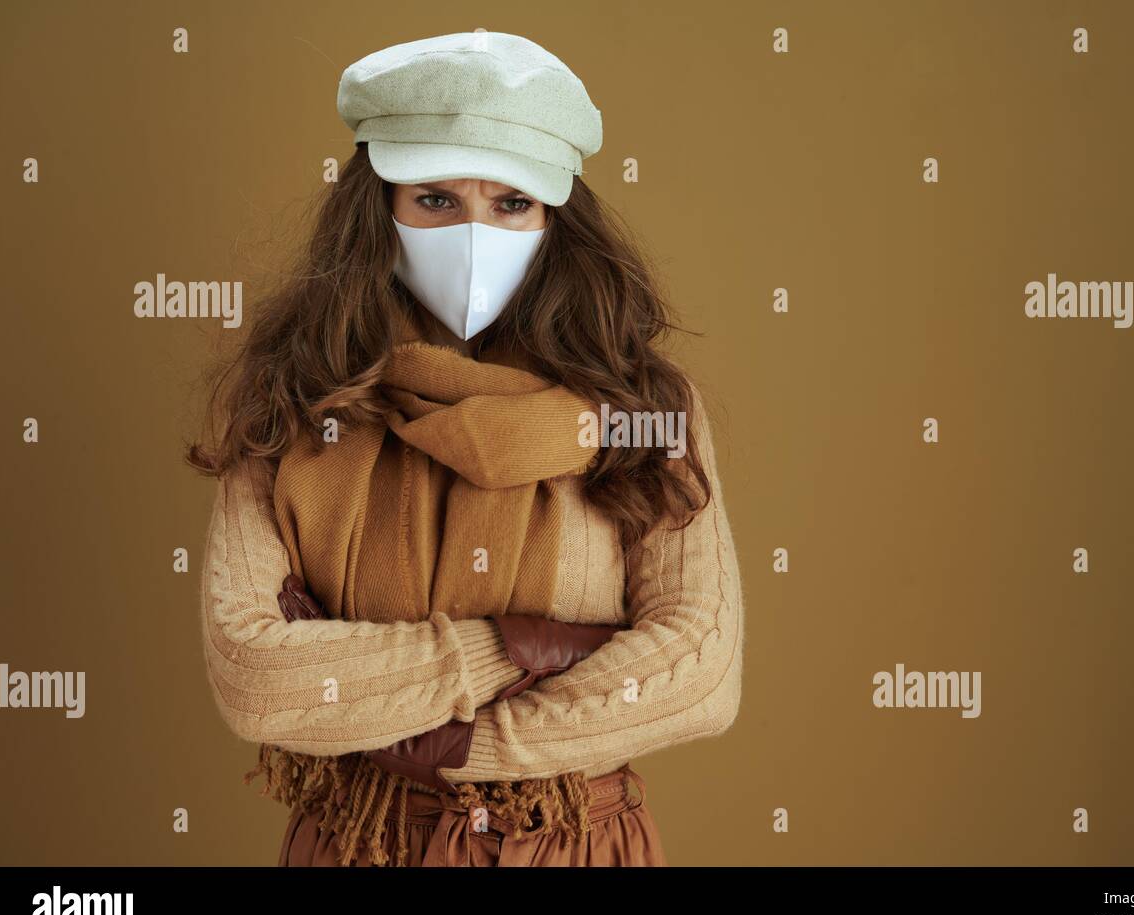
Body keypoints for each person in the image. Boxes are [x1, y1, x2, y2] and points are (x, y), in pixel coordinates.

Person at [189, 31, 743, 867]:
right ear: (378, 209)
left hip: (576, 845)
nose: (476, 232)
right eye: (437, 199)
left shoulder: (644, 411)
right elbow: (255, 674)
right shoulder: (296, 399)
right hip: (361, 845)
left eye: (511, 202)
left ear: (557, 218)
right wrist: (512, 649)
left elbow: (697, 669)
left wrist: (447, 742)